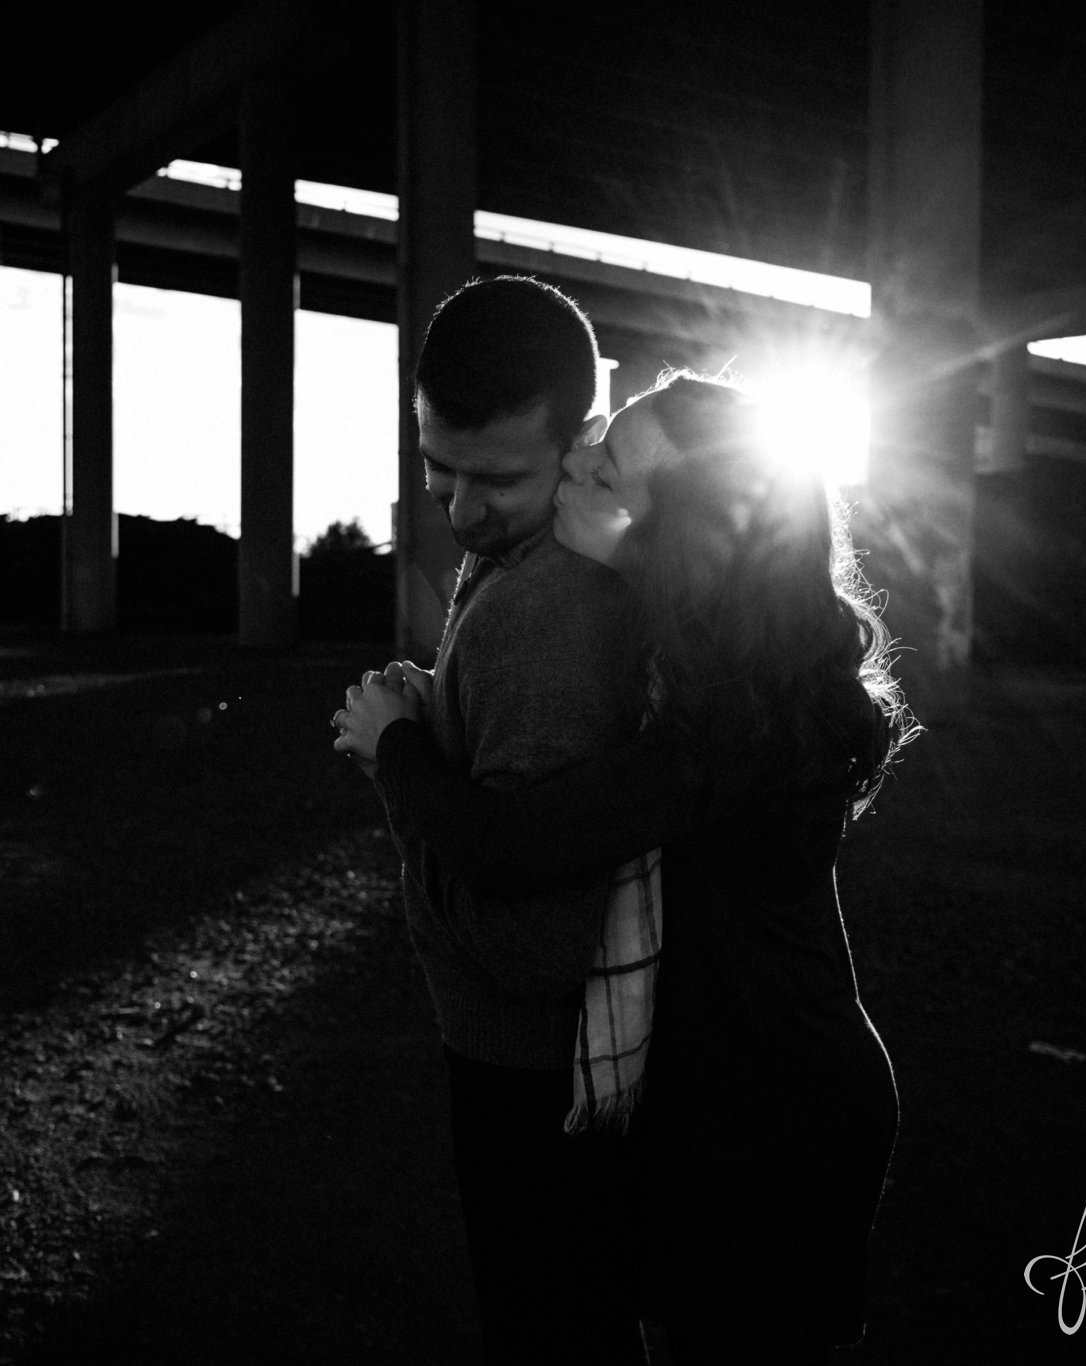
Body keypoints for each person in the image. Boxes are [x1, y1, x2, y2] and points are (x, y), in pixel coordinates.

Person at [336, 369, 915, 1362]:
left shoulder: (725, 728)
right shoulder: (715, 669)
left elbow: (513, 849)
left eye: (604, 476)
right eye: (599, 441)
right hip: (736, 1093)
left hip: (771, 1120)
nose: (574, 462)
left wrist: (389, 744)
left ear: (674, 546)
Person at [335, 275, 661, 1363]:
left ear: (579, 440)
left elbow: (531, 943)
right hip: (542, 1070)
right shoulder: (524, 565)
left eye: (498, 478)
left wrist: (403, 766)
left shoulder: (549, 608)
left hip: (531, 1077)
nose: (463, 509)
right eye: (437, 469)